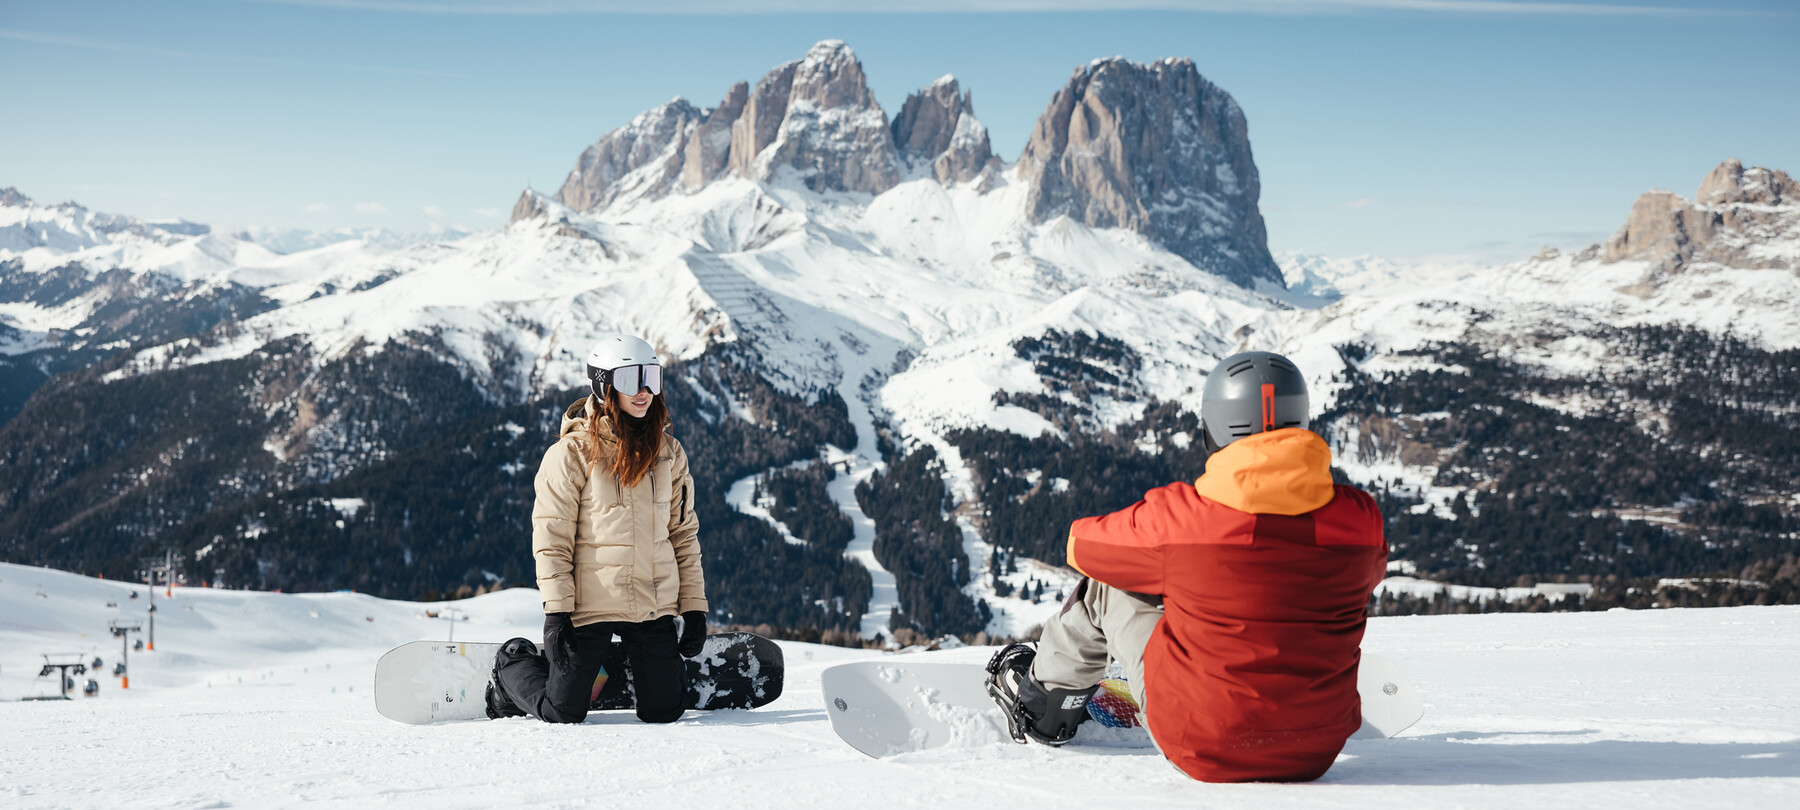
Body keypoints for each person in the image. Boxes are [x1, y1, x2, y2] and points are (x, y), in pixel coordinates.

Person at [986, 350, 1387, 782]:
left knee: (1108, 586)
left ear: (1211, 432)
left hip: (1200, 743)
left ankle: (1045, 709)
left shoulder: (1180, 520)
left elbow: (1081, 545)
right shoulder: (1361, 522)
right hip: (1316, 750)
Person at [487, 334, 709, 724]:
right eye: (630, 380)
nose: (644, 392)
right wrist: (556, 613)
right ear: (604, 386)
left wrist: (693, 608)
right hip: (589, 606)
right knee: (562, 712)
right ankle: (512, 667)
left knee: (665, 712)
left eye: (652, 378)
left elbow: (682, 535)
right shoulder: (570, 454)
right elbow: (551, 538)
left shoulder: (670, 454)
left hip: (650, 603)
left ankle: (620, 666)